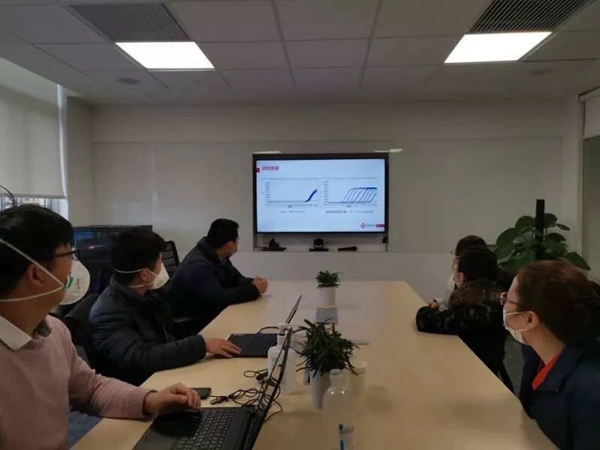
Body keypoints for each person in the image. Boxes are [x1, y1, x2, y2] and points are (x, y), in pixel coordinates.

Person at [0, 204, 201, 450]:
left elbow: (91, 389)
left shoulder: (54, 330)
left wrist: (150, 400)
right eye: (69, 255)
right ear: (36, 274)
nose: (74, 265)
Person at [89, 229, 241, 386]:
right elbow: (139, 359)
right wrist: (201, 345)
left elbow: (164, 338)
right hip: (143, 387)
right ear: (144, 275)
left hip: (163, 373)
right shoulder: (108, 313)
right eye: (160, 262)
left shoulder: (146, 294)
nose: (163, 267)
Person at [507, 261, 600, 449]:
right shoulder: (537, 355)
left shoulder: (590, 390)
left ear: (530, 319)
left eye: (507, 300)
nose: (503, 306)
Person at [416, 246, 509, 382]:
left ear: (462, 276)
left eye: (456, 271)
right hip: (488, 369)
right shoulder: (496, 296)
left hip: (471, 375)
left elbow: (425, 320)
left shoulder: (475, 308)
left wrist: (427, 309)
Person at [168, 219, 268, 335]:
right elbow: (218, 299)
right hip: (189, 323)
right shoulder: (198, 265)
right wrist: (254, 289)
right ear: (230, 244)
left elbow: (235, 279)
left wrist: (252, 283)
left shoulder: (217, 256)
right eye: (237, 240)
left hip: (205, 313)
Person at [435, 235, 487, 310]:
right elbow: (448, 304)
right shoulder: (454, 281)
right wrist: (438, 304)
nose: (455, 264)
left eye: (457, 258)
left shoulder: (485, 289)